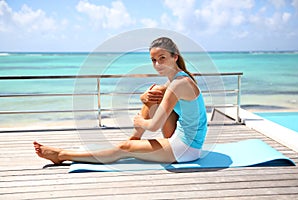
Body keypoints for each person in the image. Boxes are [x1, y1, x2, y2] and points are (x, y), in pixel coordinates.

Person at [33, 37, 207, 164]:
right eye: (153, 60)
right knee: (155, 92)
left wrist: (140, 121)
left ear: (174, 56)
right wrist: (143, 98)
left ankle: (62, 155)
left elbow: (154, 126)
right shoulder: (175, 80)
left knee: (124, 149)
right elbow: (160, 99)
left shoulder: (179, 83)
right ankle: (135, 139)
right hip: (180, 137)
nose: (157, 64)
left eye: (162, 58)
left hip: (186, 149)